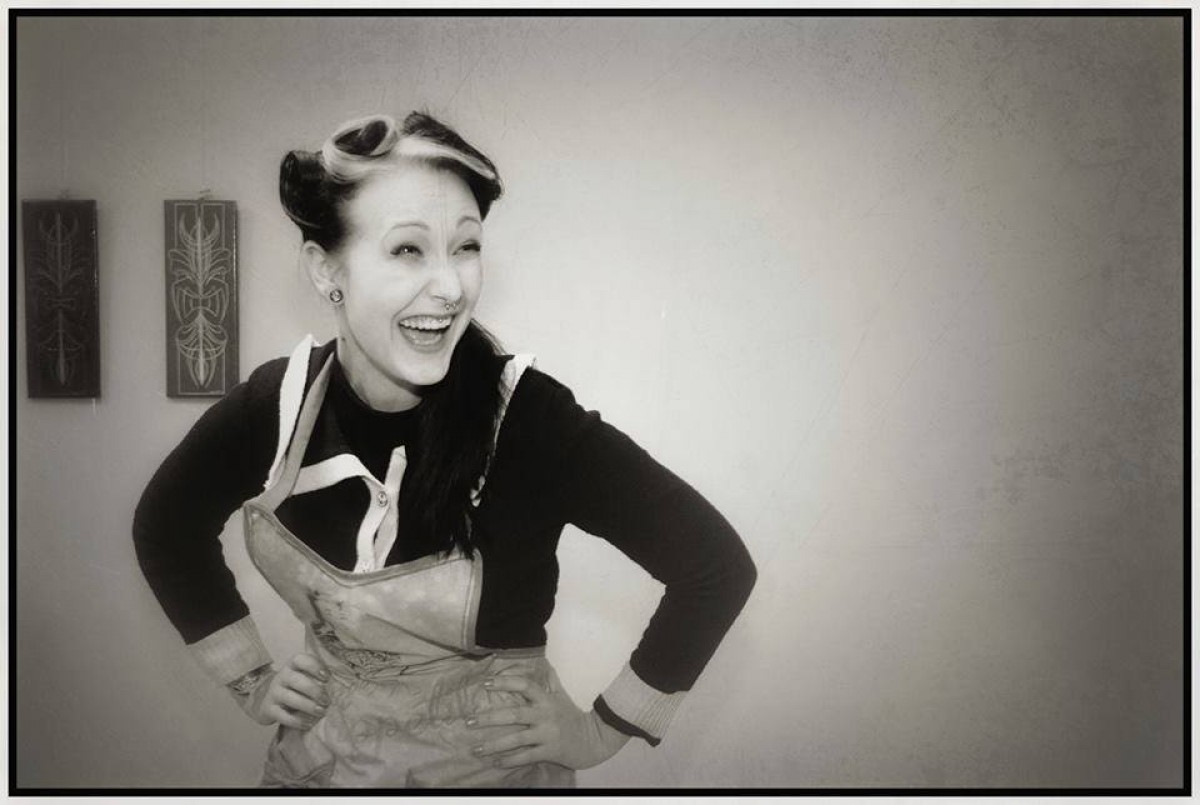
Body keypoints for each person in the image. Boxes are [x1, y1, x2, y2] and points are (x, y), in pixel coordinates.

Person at [133, 111, 757, 788]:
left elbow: (713, 566)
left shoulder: (530, 419)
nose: (452, 286)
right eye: (408, 249)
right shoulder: (275, 407)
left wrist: (601, 730)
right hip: (319, 766)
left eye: (466, 247)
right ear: (324, 268)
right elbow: (166, 528)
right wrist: (249, 676)